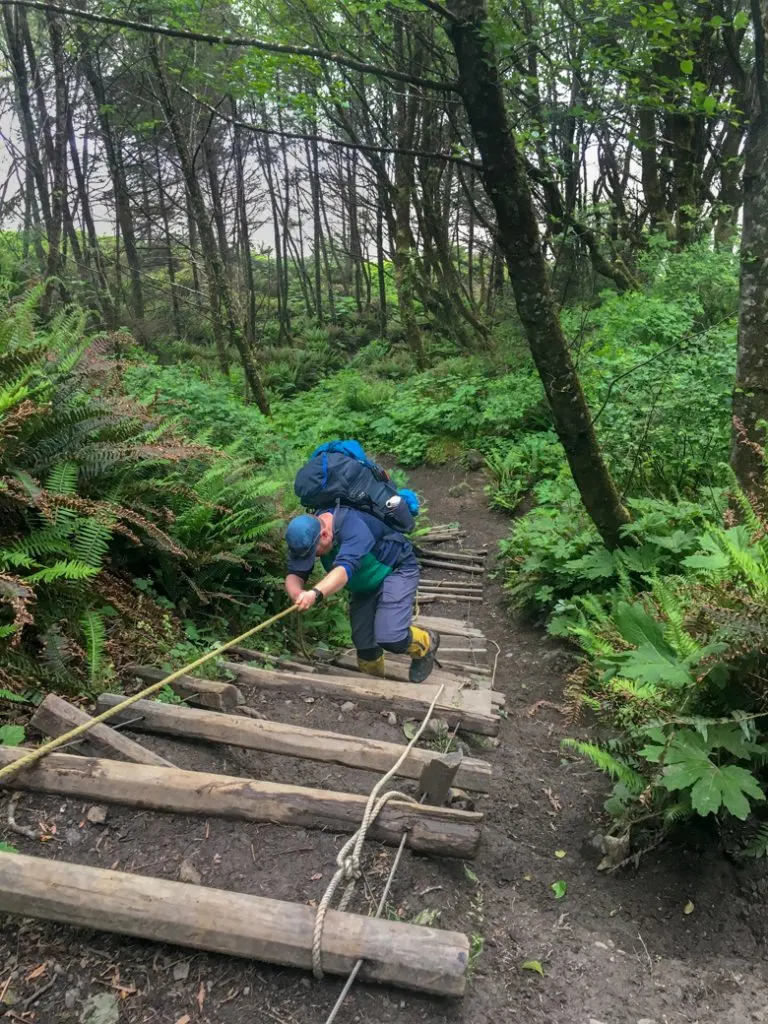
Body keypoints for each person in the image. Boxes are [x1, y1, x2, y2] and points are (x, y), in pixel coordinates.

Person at [283, 507, 440, 682]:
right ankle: (375, 689)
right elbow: (295, 573)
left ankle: (426, 643)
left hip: (396, 570)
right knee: (365, 647)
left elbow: (344, 570)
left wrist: (315, 593)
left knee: (391, 637)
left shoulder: (353, 526)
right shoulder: (307, 536)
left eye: (314, 554)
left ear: (325, 535)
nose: (312, 558)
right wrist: (297, 593)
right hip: (364, 583)